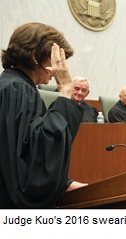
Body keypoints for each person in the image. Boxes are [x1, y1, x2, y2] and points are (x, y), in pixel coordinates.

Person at [0, 22, 87, 209]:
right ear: (35, 57)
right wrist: (64, 90)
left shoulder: (10, 85)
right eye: (56, 61)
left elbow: (21, 153)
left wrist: (63, 183)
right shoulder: (18, 90)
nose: (59, 70)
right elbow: (33, 165)